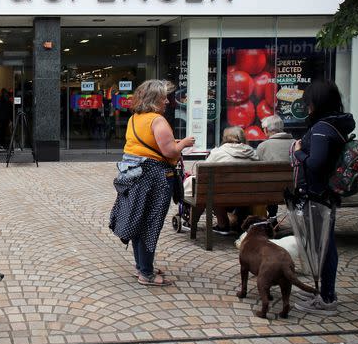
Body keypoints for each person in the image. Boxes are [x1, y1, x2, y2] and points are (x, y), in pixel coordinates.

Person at [110, 80, 195, 286]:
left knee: (139, 221)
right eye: (164, 97)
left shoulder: (134, 119)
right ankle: (146, 274)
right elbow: (169, 152)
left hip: (135, 176)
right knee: (151, 224)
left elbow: (142, 146)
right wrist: (184, 143)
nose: (167, 101)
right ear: (154, 99)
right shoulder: (157, 120)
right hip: (155, 177)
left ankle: (141, 266)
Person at [291, 80, 355, 317]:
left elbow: (315, 163)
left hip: (317, 196)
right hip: (326, 194)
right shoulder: (336, 125)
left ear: (315, 103)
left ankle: (326, 298)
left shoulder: (321, 129)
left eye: (308, 102)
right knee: (324, 244)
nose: (306, 106)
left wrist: (298, 151)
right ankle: (321, 290)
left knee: (324, 247)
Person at [184, 126, 259, 235]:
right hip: (247, 194)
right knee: (215, 189)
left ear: (225, 138)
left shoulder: (218, 153)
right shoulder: (252, 153)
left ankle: (194, 223)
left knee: (205, 190)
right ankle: (223, 224)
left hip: (220, 193)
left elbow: (202, 174)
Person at [256, 115, 295, 219]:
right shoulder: (296, 144)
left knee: (268, 181)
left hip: (270, 191)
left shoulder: (263, 146)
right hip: (294, 189)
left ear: (266, 130)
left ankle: (272, 216)